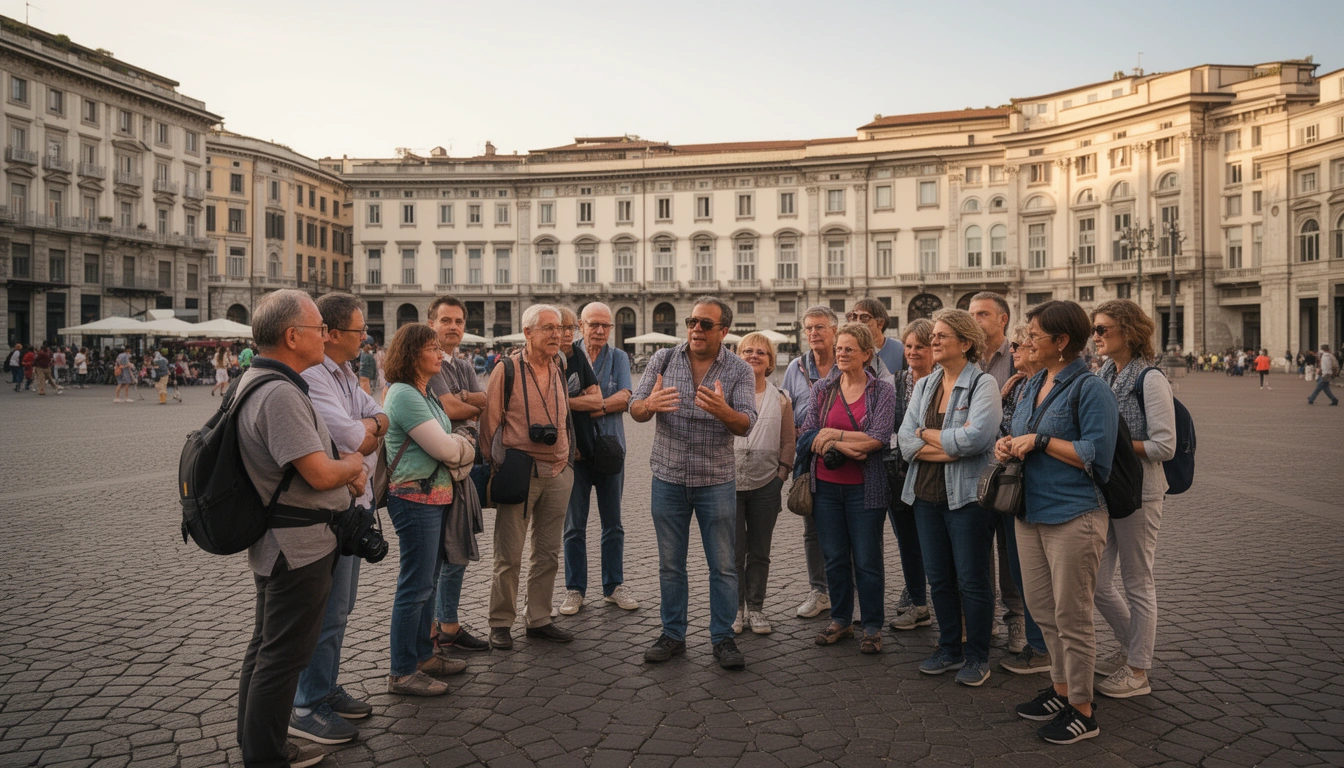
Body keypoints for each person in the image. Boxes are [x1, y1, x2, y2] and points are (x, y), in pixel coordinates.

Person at [233, 289, 367, 768]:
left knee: (266, 647)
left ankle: (258, 744)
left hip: (281, 541)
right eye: (316, 329)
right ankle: (267, 754)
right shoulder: (280, 393)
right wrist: (351, 466)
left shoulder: (257, 381)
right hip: (297, 544)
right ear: (293, 336)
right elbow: (316, 472)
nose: (323, 336)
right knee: (283, 655)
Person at [995, 300, 1118, 745]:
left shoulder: (1091, 388)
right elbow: (1022, 432)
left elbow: (1095, 457)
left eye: (1034, 336)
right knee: (1045, 613)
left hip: (1074, 515)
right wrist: (1008, 445)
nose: (1026, 342)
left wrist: (1043, 441)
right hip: (1030, 513)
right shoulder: (1033, 385)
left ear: (1062, 342)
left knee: (1073, 617)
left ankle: (1083, 710)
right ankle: (1062, 690)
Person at [631, 296, 756, 670]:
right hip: (667, 477)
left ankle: (723, 638)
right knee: (671, 565)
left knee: (723, 566)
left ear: (724, 330)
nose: (696, 329)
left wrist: (724, 412)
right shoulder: (663, 360)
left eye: (705, 324)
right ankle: (673, 634)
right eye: (692, 322)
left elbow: (746, 423)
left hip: (715, 481)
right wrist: (649, 405)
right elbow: (635, 409)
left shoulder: (738, 370)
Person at [288, 294, 388, 744]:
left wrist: (369, 430)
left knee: (341, 610)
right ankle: (305, 703)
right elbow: (353, 434)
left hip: (356, 505)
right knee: (324, 611)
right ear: (329, 333)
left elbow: (377, 417)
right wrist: (366, 433)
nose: (365, 337)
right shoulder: (312, 377)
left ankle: (324, 688)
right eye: (357, 331)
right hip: (328, 512)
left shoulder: (346, 373)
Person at [897, 309, 1001, 685]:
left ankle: (977, 656)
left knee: (972, 580)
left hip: (967, 500)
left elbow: (976, 441)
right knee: (938, 578)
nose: (933, 341)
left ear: (966, 343)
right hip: (924, 496)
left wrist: (925, 436)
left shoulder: (982, 385)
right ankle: (948, 648)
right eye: (933, 336)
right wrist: (939, 443)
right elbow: (905, 440)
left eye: (942, 336)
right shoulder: (926, 385)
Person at [383, 322, 478, 696]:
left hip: (434, 497)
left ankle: (424, 655)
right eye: (432, 348)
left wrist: (460, 442)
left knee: (428, 583)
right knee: (415, 586)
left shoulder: (425, 393)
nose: (441, 354)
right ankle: (402, 671)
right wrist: (465, 444)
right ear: (412, 354)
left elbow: (454, 440)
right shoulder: (405, 394)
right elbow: (447, 449)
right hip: (414, 499)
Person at [1089, 300, 1177, 700]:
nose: (1096, 336)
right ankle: (1130, 647)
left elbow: (1165, 445)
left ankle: (1139, 670)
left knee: (1137, 581)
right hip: (1109, 488)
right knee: (1095, 580)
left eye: (1103, 329)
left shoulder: (1151, 379)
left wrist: (1118, 446)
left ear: (1128, 331)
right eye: (1094, 329)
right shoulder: (1106, 372)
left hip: (1142, 490)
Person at [480, 305, 577, 650]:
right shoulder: (505, 371)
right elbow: (489, 426)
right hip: (522, 473)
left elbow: (565, 417)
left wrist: (568, 461)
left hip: (559, 472)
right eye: (548, 328)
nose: (557, 334)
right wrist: (500, 469)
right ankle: (500, 622)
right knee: (509, 554)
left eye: (561, 328)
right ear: (528, 333)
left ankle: (538, 617)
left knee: (548, 552)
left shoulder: (561, 365)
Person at [804, 323, 897, 654]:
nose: (841, 354)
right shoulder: (822, 390)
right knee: (835, 557)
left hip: (864, 489)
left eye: (848, 349)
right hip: (826, 488)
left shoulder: (882, 391)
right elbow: (811, 434)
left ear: (867, 354)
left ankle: (872, 626)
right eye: (839, 349)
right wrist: (850, 446)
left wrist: (835, 436)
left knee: (868, 560)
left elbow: (879, 437)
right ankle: (841, 619)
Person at [423, 296, 492, 654]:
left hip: (465, 469)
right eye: (446, 320)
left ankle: (447, 623)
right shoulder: (427, 362)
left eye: (459, 321)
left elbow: (483, 403)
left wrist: (465, 403)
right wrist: (466, 405)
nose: (453, 326)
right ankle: (433, 630)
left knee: (459, 547)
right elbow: (449, 411)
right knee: (437, 556)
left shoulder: (463, 364)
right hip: (435, 471)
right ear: (431, 323)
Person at [562, 302, 639, 616]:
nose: (600, 331)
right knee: (573, 526)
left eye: (605, 326)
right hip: (575, 452)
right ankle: (575, 589)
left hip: (609, 451)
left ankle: (613, 586)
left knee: (613, 524)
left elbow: (625, 397)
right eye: (594, 324)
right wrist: (601, 403)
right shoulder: (567, 355)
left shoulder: (618, 357)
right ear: (581, 325)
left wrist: (593, 405)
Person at [968, 291, 1026, 655]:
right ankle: (982, 616)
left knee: (1011, 550)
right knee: (976, 550)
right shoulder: (966, 359)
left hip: (1009, 473)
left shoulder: (1018, 358)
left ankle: (1016, 620)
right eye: (970, 313)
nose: (974, 320)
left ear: (1002, 319)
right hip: (971, 468)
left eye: (982, 314)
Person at [997, 325, 1053, 677]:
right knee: (1021, 571)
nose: (1013, 350)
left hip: (1043, 491)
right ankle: (1037, 643)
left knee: (1041, 576)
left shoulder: (1053, 385)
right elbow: (1004, 429)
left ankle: (1044, 647)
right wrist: (1003, 443)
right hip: (1013, 488)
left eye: (1018, 344)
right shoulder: (1018, 386)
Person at [731, 332, 794, 635]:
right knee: (732, 552)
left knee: (759, 551)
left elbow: (788, 442)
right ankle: (735, 608)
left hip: (766, 484)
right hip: (727, 485)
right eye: (747, 351)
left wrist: (780, 476)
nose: (754, 356)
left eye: (761, 352)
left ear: (770, 361)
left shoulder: (780, 398)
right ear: (737, 356)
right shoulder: (726, 394)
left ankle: (755, 607)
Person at [781, 305, 839, 620]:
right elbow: (785, 406)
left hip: (844, 454)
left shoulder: (847, 361)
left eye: (819, 327)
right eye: (809, 329)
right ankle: (819, 589)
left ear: (834, 331)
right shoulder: (796, 367)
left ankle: (847, 590)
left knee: (847, 525)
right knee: (812, 526)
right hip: (807, 457)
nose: (813, 334)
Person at [888, 319, 935, 632]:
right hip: (899, 471)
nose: (913, 351)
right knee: (907, 541)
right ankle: (918, 600)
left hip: (933, 469)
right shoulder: (897, 380)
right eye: (909, 346)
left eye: (921, 345)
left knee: (932, 540)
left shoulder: (941, 382)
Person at [847, 297, 905, 375]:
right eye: (854, 316)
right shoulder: (846, 351)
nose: (857, 322)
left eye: (864, 317)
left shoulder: (900, 350)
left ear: (880, 323)